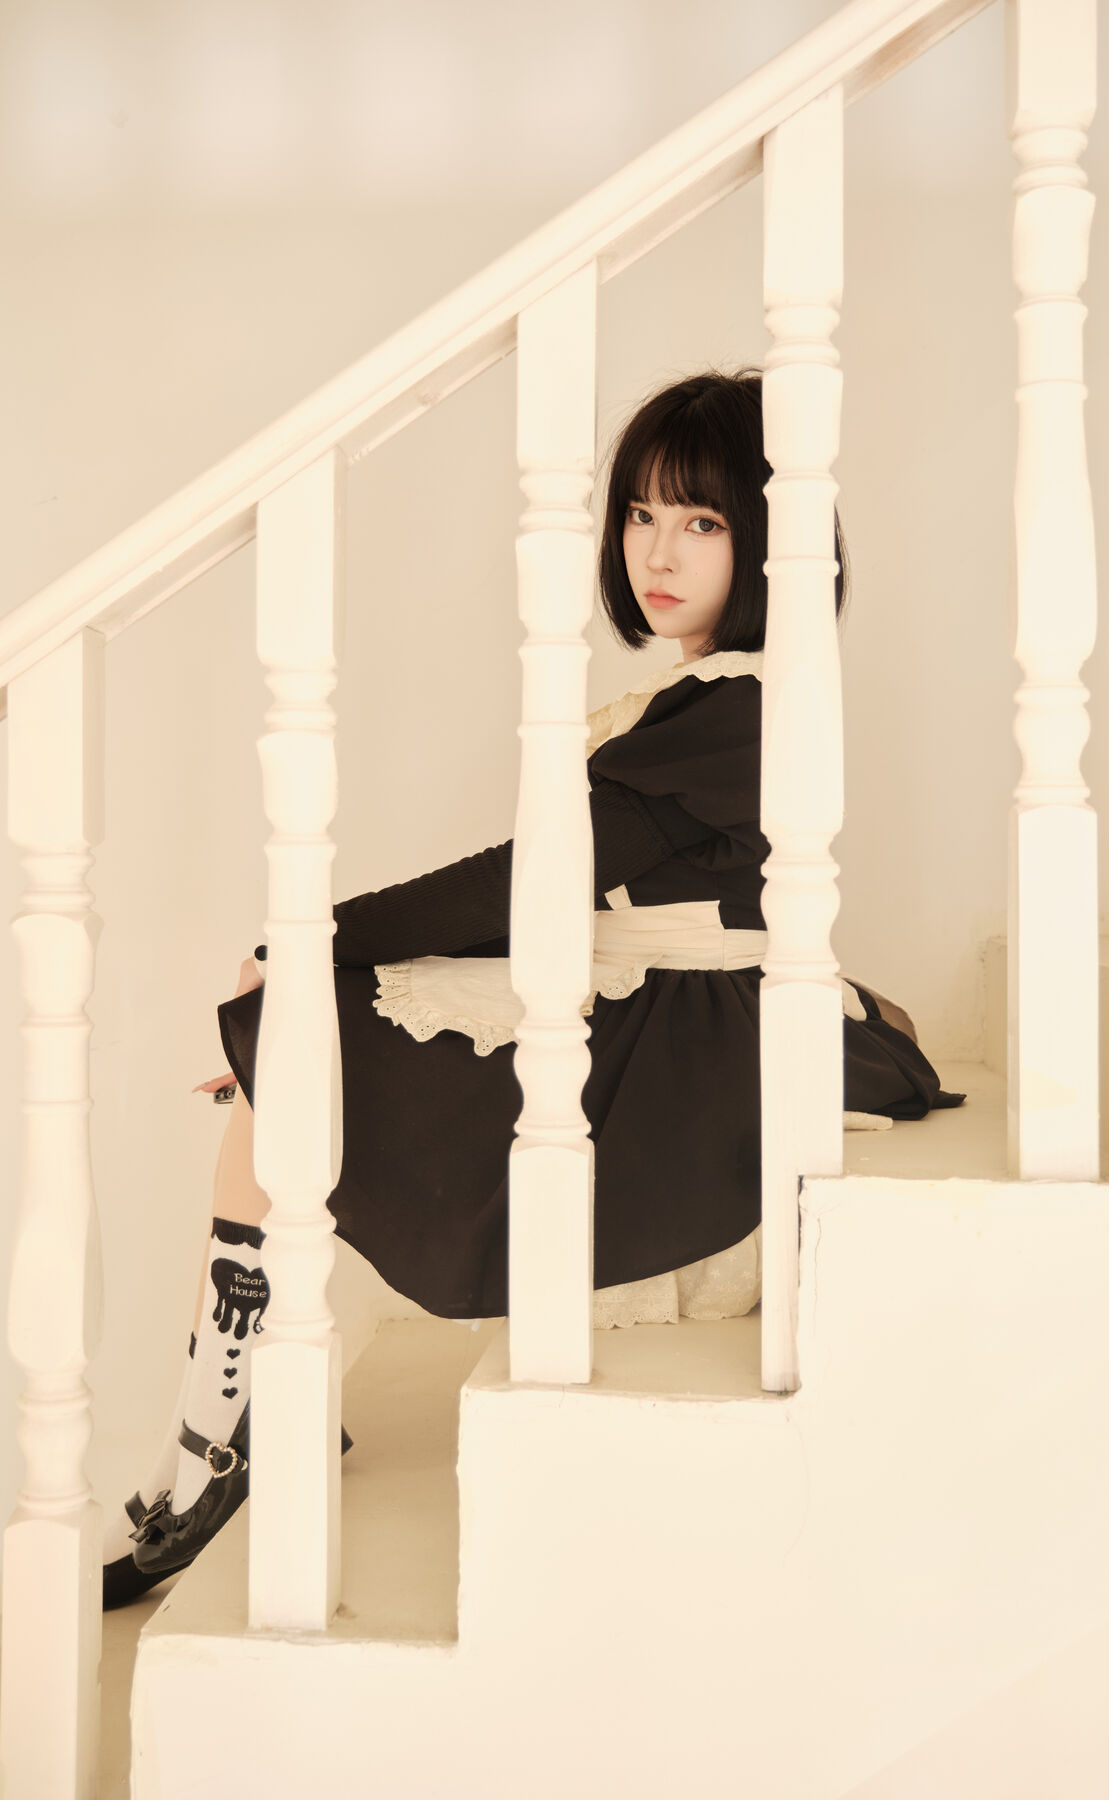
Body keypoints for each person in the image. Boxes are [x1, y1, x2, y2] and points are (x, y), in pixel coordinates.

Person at [102, 367, 964, 1609]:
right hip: (649, 995)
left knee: (291, 1042)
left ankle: (218, 1444)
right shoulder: (721, 693)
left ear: (771, 540)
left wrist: (309, 941)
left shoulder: (738, 703)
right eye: (642, 514)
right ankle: (240, 1423)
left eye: (703, 521)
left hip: (684, 1050)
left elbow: (542, 880)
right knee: (285, 1052)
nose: (658, 551)